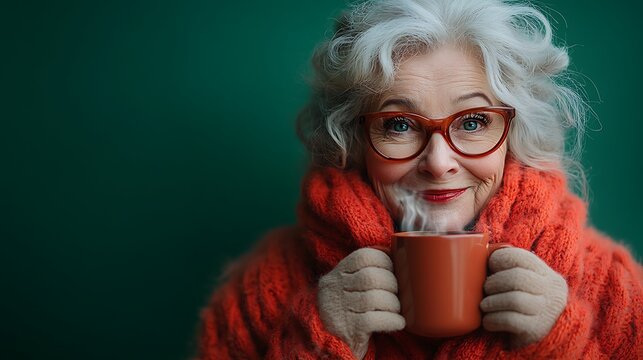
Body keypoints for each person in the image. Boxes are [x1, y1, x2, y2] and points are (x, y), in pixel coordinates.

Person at [197, 0, 642, 358]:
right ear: (353, 140)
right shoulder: (262, 287)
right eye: (399, 125)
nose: (438, 162)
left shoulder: (611, 286)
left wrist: (562, 345)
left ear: (515, 133)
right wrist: (318, 341)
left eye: (472, 122)